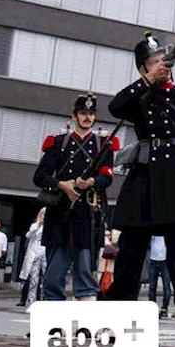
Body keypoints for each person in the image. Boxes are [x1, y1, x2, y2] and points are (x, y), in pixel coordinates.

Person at [103, 22, 175, 347]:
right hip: (143, 182)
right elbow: (116, 107)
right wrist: (147, 82)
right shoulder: (139, 95)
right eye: (152, 60)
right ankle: (115, 327)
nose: (160, 64)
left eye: (162, 58)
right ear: (143, 68)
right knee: (129, 258)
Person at [31, 92, 115, 303]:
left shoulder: (103, 144)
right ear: (74, 115)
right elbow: (40, 176)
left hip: (87, 215)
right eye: (83, 113)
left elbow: (107, 176)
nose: (87, 117)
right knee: (53, 277)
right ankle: (52, 325)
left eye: (91, 113)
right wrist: (62, 185)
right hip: (59, 214)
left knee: (85, 275)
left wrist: (92, 183)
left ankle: (85, 326)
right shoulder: (58, 142)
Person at [18, 209, 47, 308]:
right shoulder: (35, 225)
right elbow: (28, 235)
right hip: (35, 255)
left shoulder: (50, 227)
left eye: (45, 215)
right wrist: (37, 226)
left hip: (45, 255)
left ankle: (43, 301)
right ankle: (31, 302)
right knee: (33, 280)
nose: (44, 216)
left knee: (45, 280)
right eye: (42, 214)